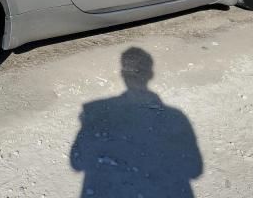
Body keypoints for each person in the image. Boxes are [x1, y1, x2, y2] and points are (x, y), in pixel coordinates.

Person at [71, 47, 203, 197]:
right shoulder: (175, 118)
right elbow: (194, 169)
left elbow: (77, 161)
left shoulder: (98, 113)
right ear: (150, 74)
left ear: (122, 75)